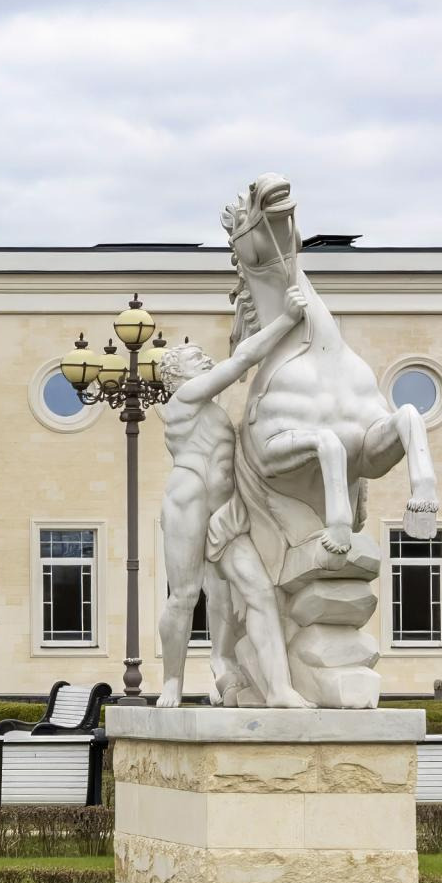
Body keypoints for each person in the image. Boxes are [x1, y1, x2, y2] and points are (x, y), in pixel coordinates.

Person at [153, 293, 309, 708]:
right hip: (188, 500)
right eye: (195, 358)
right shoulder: (183, 400)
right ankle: (172, 682)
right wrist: (286, 319)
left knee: (258, 591)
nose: (205, 359)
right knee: (184, 596)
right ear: (175, 375)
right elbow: (240, 361)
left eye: (205, 356)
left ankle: (279, 689)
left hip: (225, 512)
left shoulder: (213, 410)